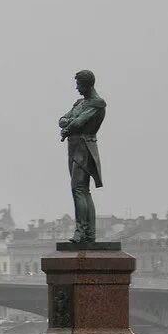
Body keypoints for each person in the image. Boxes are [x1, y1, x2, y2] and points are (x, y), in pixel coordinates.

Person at [58, 70, 106, 243]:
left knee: (78, 188)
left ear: (87, 84)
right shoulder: (80, 103)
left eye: (79, 84)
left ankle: (81, 232)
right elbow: (62, 119)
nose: (77, 88)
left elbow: (77, 123)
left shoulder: (97, 103)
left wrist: (69, 125)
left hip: (84, 147)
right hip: (74, 146)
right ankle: (89, 233)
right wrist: (69, 124)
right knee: (82, 190)